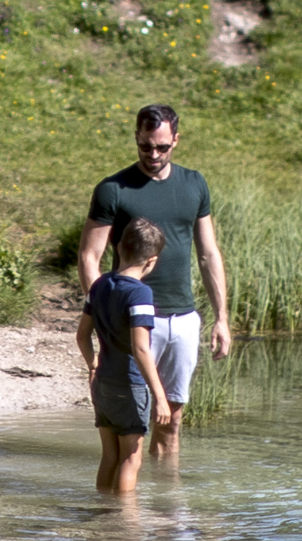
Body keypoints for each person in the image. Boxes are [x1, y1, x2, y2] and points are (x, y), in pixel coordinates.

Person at [74, 102, 230, 460]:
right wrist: (103, 315)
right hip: (134, 320)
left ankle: (168, 508)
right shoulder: (114, 189)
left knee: (171, 421)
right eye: (145, 145)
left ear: (176, 139)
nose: (153, 154)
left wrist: (221, 318)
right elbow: (89, 256)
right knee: (130, 426)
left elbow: (208, 253)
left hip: (183, 318)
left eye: (162, 146)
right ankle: (123, 509)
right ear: (136, 138)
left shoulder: (194, 184)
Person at [78, 216, 175, 497]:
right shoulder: (140, 294)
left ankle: (101, 510)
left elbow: (81, 335)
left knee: (109, 456)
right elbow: (141, 348)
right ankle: (122, 522)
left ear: (118, 248)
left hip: (104, 382)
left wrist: (93, 365)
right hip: (130, 384)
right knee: (131, 459)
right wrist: (159, 396)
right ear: (152, 261)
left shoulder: (99, 285)